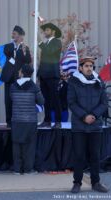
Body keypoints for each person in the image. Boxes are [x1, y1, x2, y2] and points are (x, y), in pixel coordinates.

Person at [68, 57, 109, 193]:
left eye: (91, 66)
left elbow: (104, 102)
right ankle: (77, 183)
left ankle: (96, 183)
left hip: (95, 125)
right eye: (86, 65)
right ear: (80, 68)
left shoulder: (99, 82)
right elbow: (71, 102)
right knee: (79, 156)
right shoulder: (73, 82)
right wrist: (84, 116)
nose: (89, 68)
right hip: (79, 125)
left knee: (95, 156)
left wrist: (94, 116)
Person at [10, 64, 44, 174]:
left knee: (17, 145)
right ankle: (28, 169)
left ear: (22, 73)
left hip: (16, 120)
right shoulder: (34, 87)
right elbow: (42, 102)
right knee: (29, 146)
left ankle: (17, 169)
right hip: (30, 121)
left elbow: (10, 100)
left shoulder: (13, 86)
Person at [0, 25, 31, 127]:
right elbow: (7, 52)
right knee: (8, 99)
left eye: (15, 34)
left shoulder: (25, 48)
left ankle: (18, 120)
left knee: (17, 99)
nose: (12, 35)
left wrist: (23, 50)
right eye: (12, 33)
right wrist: (15, 47)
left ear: (20, 36)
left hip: (19, 78)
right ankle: (8, 121)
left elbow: (27, 60)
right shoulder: (9, 46)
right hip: (9, 77)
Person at [37, 23, 62, 129]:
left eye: (47, 30)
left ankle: (57, 121)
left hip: (52, 74)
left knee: (55, 98)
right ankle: (47, 120)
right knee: (45, 99)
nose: (45, 32)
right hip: (43, 74)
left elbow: (50, 52)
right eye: (45, 30)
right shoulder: (46, 43)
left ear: (53, 32)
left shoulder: (57, 42)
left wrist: (40, 42)